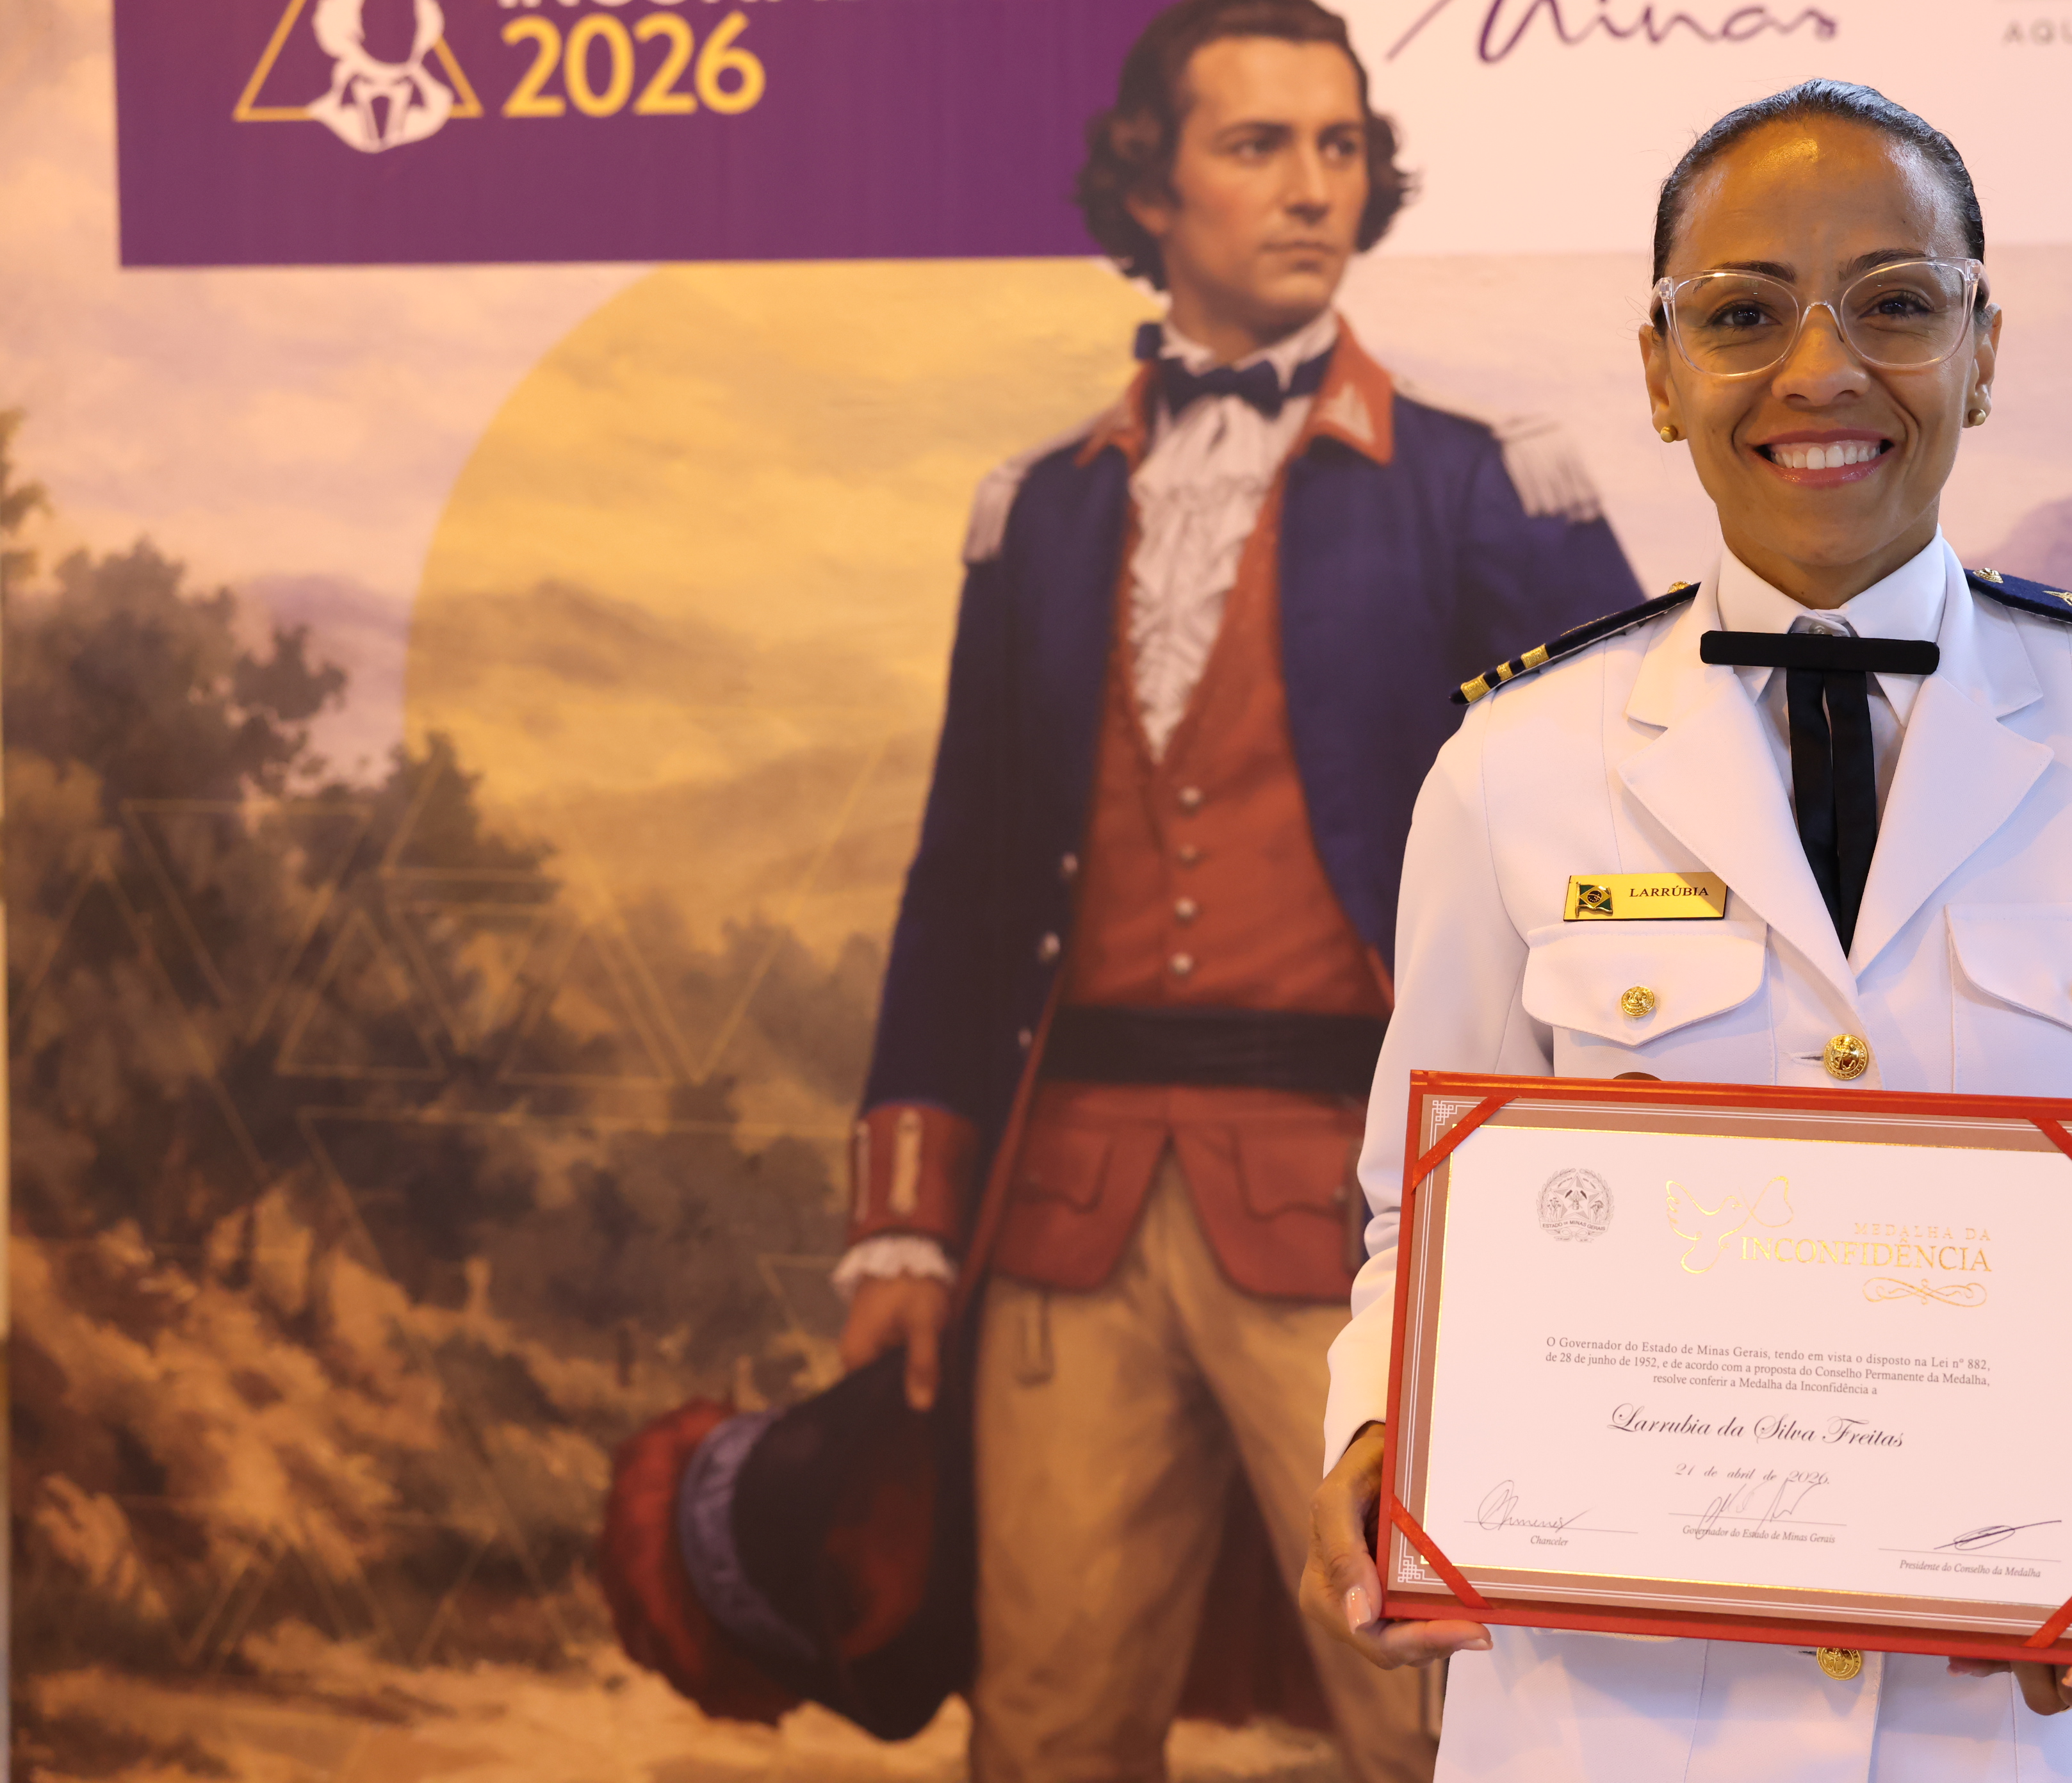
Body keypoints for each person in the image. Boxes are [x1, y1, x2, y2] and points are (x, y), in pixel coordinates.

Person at [1298, 80, 2072, 1782]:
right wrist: (1386, 1427)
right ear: (1660, 371)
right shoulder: (1516, 764)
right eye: (1743, 315)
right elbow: (1423, 1219)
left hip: (2031, 1721)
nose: (1820, 371)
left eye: (1895, 303)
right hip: (1618, 1720)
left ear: (1983, 349)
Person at [598, 1, 1644, 1774]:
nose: (1313, 189)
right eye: (1259, 146)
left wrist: (1594, 1171)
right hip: (1066, 1218)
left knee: (1435, 1717)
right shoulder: (1039, 515)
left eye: (1341, 147)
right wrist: (909, 1229)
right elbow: (962, 884)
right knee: (1052, 1724)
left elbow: (1622, 857)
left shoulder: (1482, 491)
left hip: (1367, 1216)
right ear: (1150, 188)